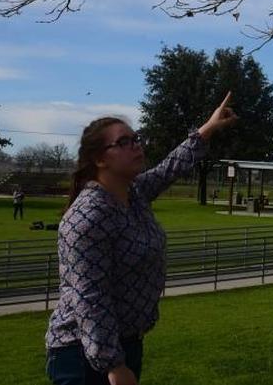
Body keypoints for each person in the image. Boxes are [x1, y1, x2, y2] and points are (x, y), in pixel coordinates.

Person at [44, 92, 237, 385]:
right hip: (83, 355)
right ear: (99, 159)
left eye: (136, 139)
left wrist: (208, 128)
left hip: (125, 343)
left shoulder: (132, 195)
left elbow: (168, 169)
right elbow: (90, 298)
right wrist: (113, 365)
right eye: (123, 142)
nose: (136, 146)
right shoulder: (86, 218)